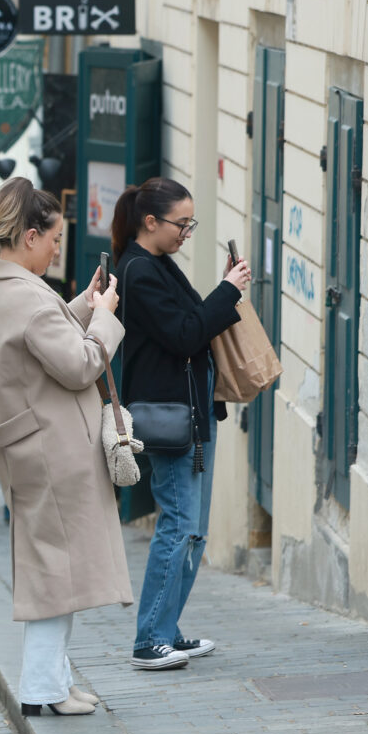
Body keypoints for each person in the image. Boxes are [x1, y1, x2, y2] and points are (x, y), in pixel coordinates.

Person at [0, 176, 133, 717]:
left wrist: (84, 305)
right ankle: (42, 687)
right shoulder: (27, 299)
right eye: (55, 239)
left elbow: (43, 341)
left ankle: (56, 680)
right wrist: (106, 319)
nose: (58, 249)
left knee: (55, 568)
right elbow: (79, 364)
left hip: (29, 447)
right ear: (32, 236)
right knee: (55, 574)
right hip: (52, 449)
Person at [113, 177, 251, 671]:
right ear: (151, 222)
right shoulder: (137, 271)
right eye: (182, 223)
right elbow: (184, 333)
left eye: (190, 222)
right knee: (177, 526)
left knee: (193, 530)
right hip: (170, 418)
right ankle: (149, 638)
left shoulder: (160, 265)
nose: (187, 231)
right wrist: (226, 291)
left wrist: (221, 290)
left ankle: (167, 630)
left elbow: (193, 317)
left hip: (192, 413)